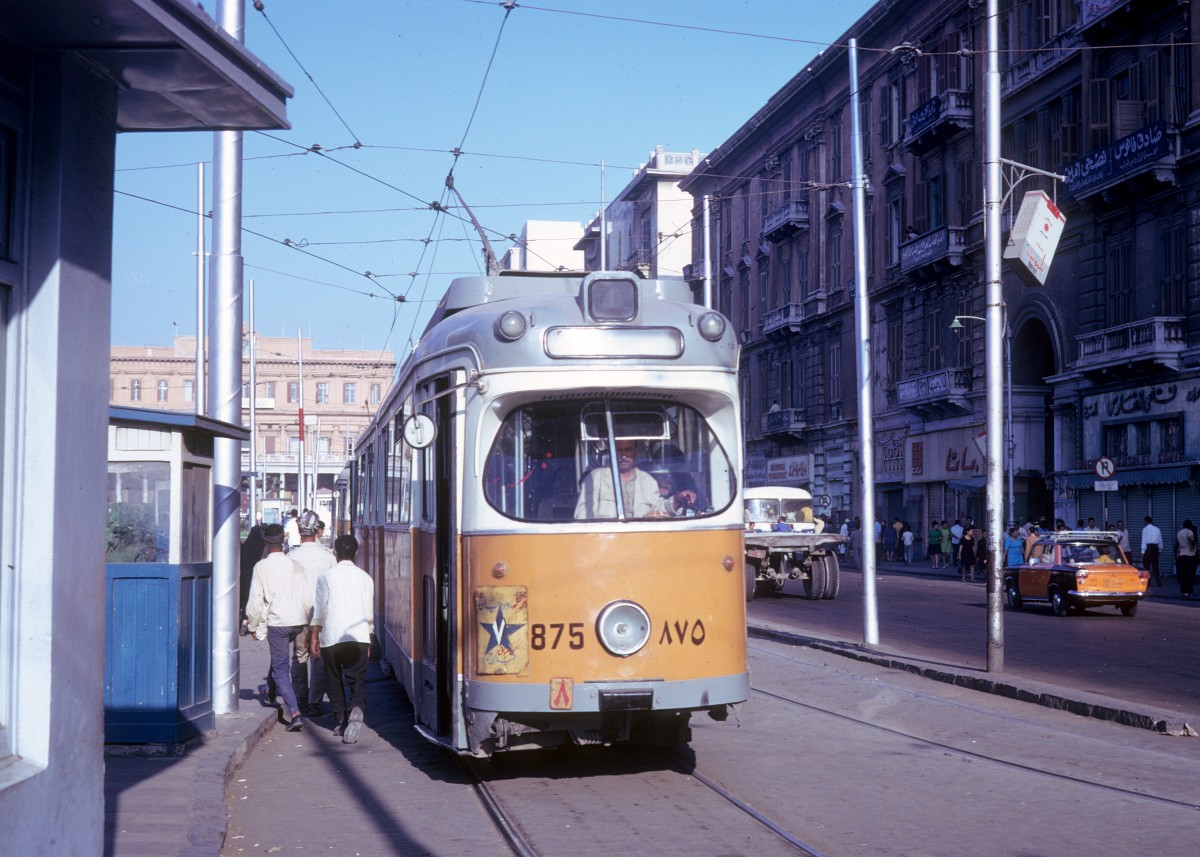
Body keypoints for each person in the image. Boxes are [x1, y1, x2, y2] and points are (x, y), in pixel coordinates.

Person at [245, 523, 311, 732]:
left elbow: (256, 600)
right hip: (298, 621)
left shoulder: (261, 567)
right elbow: (308, 600)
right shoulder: (297, 565)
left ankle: (295, 713)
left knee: (281, 668)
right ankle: (271, 691)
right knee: (279, 657)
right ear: (283, 540)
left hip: (278, 623)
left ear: (266, 542)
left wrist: (253, 625)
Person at [309, 534, 375, 744]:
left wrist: (314, 636)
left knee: (333, 678)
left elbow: (320, 610)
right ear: (356, 552)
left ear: (335, 552)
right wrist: (368, 639)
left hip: (332, 635)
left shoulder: (326, 577)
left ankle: (340, 720)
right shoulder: (366, 578)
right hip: (359, 636)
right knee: (357, 677)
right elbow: (369, 613)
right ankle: (356, 708)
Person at [289, 511, 337, 716]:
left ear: (300, 531)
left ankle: (300, 699)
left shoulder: (291, 557)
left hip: (298, 614)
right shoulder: (328, 557)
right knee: (318, 657)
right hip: (321, 614)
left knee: (300, 655)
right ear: (317, 531)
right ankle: (315, 702)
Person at [574, 440, 696, 519]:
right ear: (612, 452)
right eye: (619, 450)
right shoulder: (596, 478)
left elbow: (657, 510)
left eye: (628, 450)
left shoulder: (647, 481)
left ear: (636, 451)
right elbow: (582, 515)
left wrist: (677, 500)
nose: (623, 456)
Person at [239, 524, 265, 636]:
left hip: (244, 576)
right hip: (256, 577)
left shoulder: (245, 546)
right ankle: (248, 622)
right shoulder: (261, 546)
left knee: (244, 599)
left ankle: (243, 622)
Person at [1175, 519, 1196, 598]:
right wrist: (1193, 545)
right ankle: (1189, 592)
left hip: (1182, 554)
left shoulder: (1179, 533)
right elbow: (1192, 539)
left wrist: (1178, 553)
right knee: (1189, 574)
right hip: (1190, 554)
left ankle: (1183, 591)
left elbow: (1179, 545)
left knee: (1183, 574)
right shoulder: (1189, 532)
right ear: (1190, 525)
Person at [1141, 515, 1163, 586]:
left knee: (1146, 565)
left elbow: (1144, 540)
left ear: (1145, 521)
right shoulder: (1157, 529)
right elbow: (1160, 540)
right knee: (1155, 565)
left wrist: (1143, 551)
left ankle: (1148, 582)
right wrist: (1160, 549)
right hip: (1155, 547)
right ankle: (1158, 581)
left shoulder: (1145, 529)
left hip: (1148, 547)